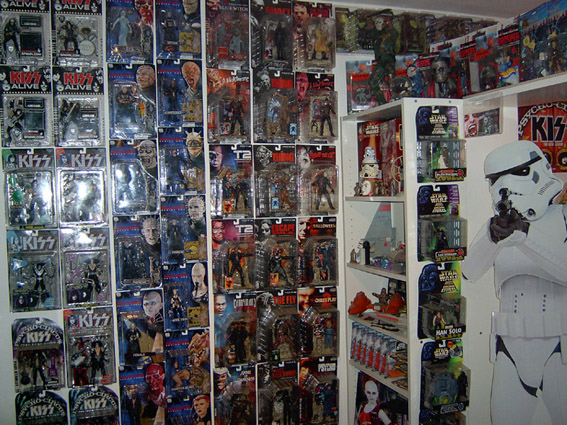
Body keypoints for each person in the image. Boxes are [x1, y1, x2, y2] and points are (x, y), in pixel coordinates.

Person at [462, 140, 567, 425]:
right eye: (495, 179)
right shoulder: (498, 225)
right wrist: (492, 238)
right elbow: (469, 272)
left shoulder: (563, 218)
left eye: (516, 173)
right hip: (509, 349)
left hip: (558, 347)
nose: (503, 186)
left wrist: (525, 237)